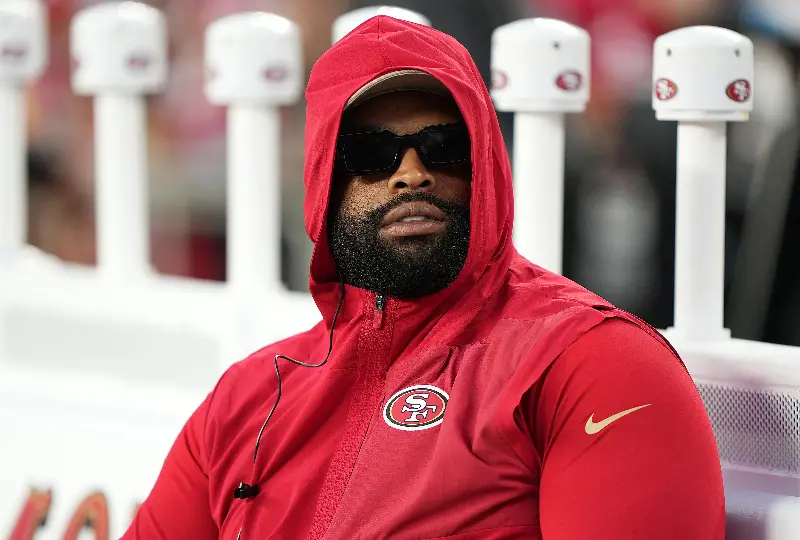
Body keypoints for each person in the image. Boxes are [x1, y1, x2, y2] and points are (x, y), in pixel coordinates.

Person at [123, 16, 725, 539]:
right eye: (370, 153)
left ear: (483, 161)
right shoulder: (246, 400)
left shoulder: (591, 363)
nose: (411, 173)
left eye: (442, 145)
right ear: (324, 181)